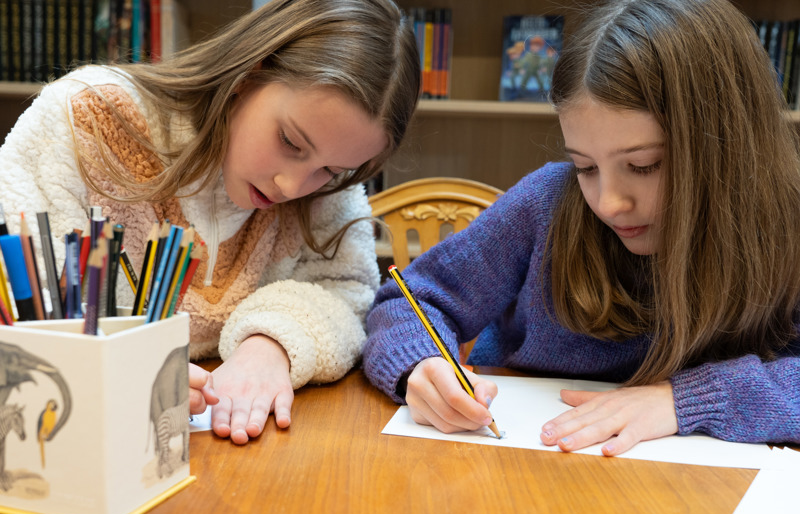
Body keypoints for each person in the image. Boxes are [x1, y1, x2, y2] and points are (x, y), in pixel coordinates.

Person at [363, 0, 800, 455]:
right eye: (586, 167)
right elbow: (410, 300)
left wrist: (685, 399)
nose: (609, 202)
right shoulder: (546, 203)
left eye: (644, 165)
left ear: (728, 142)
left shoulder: (786, 225)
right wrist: (420, 364)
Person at [0, 0, 420, 444]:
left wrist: (271, 344)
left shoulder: (327, 194)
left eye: (330, 171)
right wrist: (109, 360)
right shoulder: (85, 118)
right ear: (249, 72)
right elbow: (19, 298)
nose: (292, 185)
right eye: (289, 141)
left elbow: (349, 290)